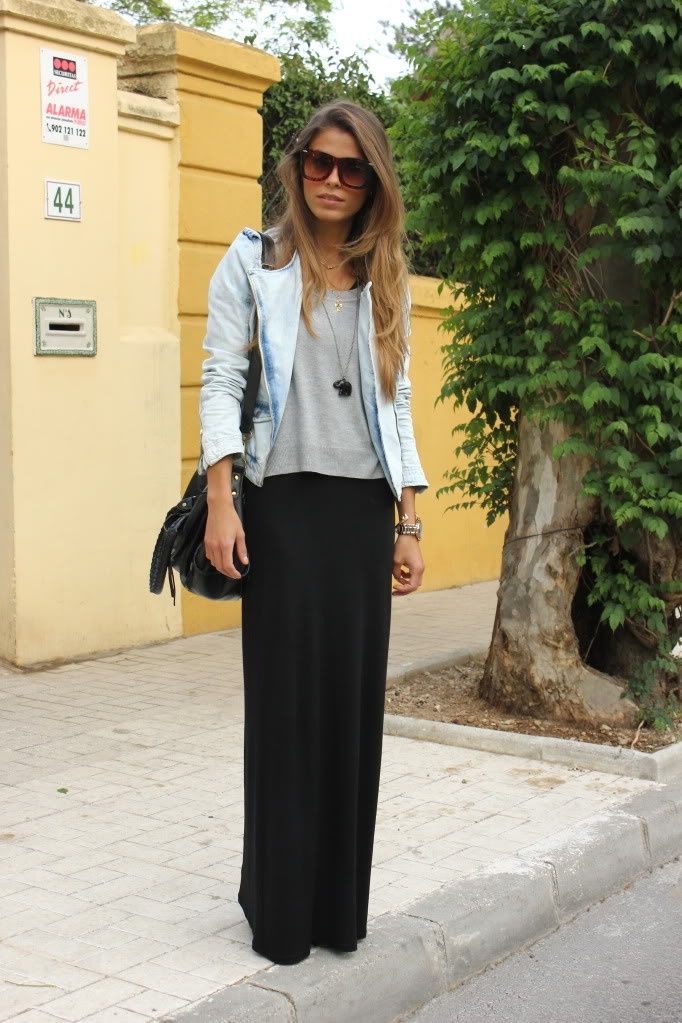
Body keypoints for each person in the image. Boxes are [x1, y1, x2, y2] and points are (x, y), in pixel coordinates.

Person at [197, 98, 429, 966]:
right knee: (286, 713)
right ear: (296, 168)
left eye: (351, 167)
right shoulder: (255, 260)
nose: (332, 179)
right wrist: (222, 500)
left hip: (362, 515)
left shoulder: (384, 275)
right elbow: (221, 380)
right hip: (284, 510)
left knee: (350, 715)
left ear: (372, 181)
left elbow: (397, 404)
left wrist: (409, 521)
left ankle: (337, 910)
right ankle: (280, 910)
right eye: (319, 162)